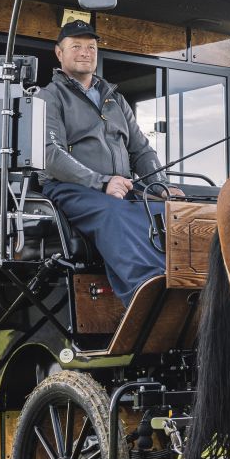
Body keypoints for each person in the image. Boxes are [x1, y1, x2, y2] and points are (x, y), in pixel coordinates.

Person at [41, 19, 169, 303]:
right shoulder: (48, 97)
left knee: (166, 210)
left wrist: (160, 186)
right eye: (76, 46)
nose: (85, 52)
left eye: (91, 47)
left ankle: (185, 282)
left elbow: (141, 151)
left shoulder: (116, 99)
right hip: (70, 188)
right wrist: (102, 183)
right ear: (59, 53)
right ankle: (147, 292)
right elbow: (50, 154)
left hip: (119, 187)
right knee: (115, 213)